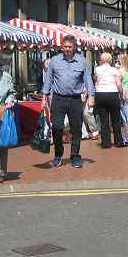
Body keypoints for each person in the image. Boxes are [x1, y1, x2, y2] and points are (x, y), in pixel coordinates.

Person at [42, 35, 95, 168]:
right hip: (58, 99)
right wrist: (44, 97)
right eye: (65, 46)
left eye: (70, 47)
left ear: (75, 47)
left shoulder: (82, 61)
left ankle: (75, 155)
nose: (67, 49)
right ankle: (58, 154)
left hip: (75, 99)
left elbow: (88, 79)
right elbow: (48, 80)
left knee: (76, 129)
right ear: (62, 47)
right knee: (57, 127)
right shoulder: (54, 61)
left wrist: (91, 96)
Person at [93, 53, 123, 148]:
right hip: (112, 93)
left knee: (103, 120)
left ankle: (106, 142)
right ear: (110, 60)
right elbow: (118, 84)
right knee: (116, 119)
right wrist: (121, 94)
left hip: (100, 93)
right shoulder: (114, 70)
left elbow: (96, 80)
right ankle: (118, 141)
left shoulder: (97, 69)